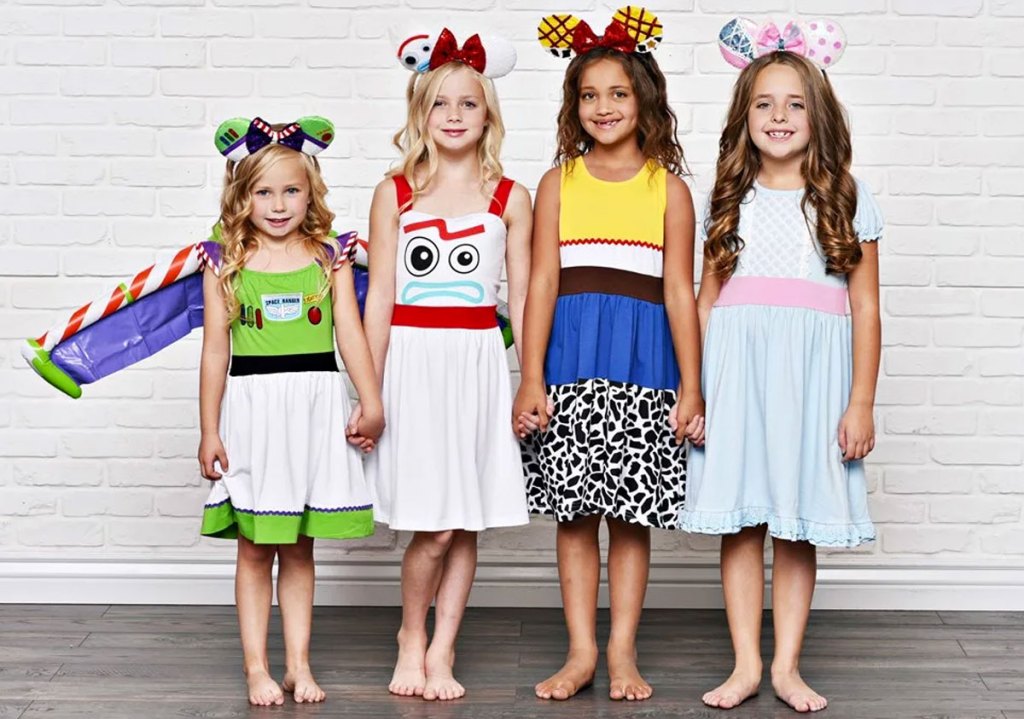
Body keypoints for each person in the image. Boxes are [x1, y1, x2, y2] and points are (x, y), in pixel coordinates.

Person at [680, 19, 883, 713]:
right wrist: (697, 390)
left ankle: (788, 665)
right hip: (737, 380)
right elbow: (706, 305)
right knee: (744, 521)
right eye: (764, 103)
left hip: (814, 384)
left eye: (795, 103)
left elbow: (867, 310)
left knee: (795, 522)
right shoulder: (725, 201)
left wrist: (860, 401)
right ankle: (744, 662)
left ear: (818, 115)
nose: (779, 116)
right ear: (744, 117)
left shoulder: (845, 200)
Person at [515, 7, 704, 702]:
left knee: (630, 513)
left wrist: (692, 385)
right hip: (569, 363)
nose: (604, 107)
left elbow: (681, 294)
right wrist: (530, 375)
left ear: (645, 99)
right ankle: (581, 650)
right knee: (574, 513)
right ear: (573, 105)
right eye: (589, 95)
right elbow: (541, 282)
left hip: (646, 367)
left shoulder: (671, 190)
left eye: (618, 93)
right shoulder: (558, 184)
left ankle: (622, 650)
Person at [362, 29, 532, 701]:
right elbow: (377, 299)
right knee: (431, 520)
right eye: (441, 104)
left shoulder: (510, 197)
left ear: (488, 113)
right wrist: (370, 390)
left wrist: (528, 381)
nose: (455, 116)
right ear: (420, 112)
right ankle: (411, 632)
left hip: (477, 363)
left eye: (469, 103)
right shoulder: (394, 192)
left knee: (465, 516)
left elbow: (522, 299)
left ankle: (443, 645)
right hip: (411, 360)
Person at [197, 116, 384, 706]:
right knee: (255, 546)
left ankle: (299, 665)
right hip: (254, 412)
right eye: (263, 192)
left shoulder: (330, 256)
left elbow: (350, 336)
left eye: (292, 190)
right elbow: (214, 351)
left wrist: (371, 400)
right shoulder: (224, 261)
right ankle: (257, 667)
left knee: (300, 544)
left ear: (312, 191)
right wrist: (209, 430)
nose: (279, 205)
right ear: (242, 195)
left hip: (315, 409)